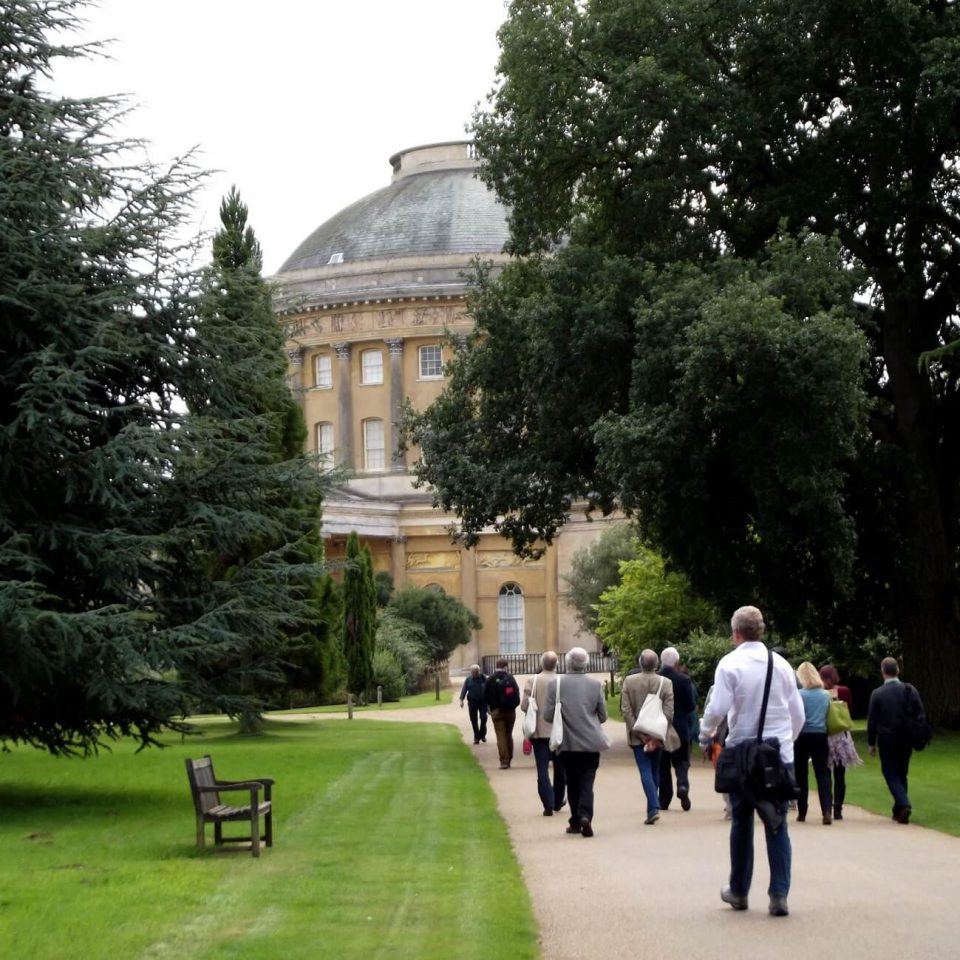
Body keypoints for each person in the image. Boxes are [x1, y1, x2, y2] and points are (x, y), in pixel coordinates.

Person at [700, 605, 805, 918]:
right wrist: (787, 743)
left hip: (744, 755)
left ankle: (739, 890)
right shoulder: (782, 665)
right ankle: (779, 894)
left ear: (735, 633)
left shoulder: (730, 664)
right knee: (777, 823)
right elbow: (796, 712)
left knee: (741, 821)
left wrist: (706, 734)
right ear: (761, 631)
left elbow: (718, 708)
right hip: (776, 755)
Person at [543, 647, 608, 837]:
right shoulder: (595, 685)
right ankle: (585, 815)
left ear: (567, 663)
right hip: (590, 742)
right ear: (585, 664)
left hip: (567, 742)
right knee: (587, 780)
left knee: (572, 782)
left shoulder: (556, 684)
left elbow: (547, 715)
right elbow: (603, 716)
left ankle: (576, 820)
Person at [621, 649, 679, 825]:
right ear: (657, 665)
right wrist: (655, 736)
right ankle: (652, 808)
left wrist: (639, 732)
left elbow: (626, 710)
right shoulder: (666, 683)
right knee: (655, 770)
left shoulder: (630, 682)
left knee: (645, 770)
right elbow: (669, 712)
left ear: (640, 662)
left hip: (638, 736)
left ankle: (653, 807)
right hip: (659, 734)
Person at [867, 657, 927, 824]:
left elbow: (872, 721)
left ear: (882, 672)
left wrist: (871, 743)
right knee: (901, 772)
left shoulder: (877, 694)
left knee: (890, 772)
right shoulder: (910, 690)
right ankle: (899, 810)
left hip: (887, 737)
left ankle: (904, 803)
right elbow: (920, 713)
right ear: (898, 671)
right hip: (906, 736)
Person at [521, 651, 567, 816]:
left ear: (542, 663)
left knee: (542, 769)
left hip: (539, 732)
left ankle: (548, 802)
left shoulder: (533, 681)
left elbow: (524, 706)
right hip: (559, 730)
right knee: (560, 768)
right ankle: (557, 800)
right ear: (556, 664)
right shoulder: (562, 680)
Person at [819, 664, 862, 820]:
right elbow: (849, 711)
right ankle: (838, 808)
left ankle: (827, 807)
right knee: (840, 774)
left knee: (825, 774)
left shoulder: (819, 693)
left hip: (825, 735)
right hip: (841, 735)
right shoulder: (843, 691)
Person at [794, 661, 834, 825]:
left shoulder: (800, 695)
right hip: (820, 735)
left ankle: (802, 811)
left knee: (801, 775)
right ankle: (826, 810)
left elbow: (796, 715)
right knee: (823, 774)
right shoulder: (825, 694)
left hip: (802, 735)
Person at [658, 646, 696, 812]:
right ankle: (682, 784)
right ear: (677, 663)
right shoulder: (684, 680)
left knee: (662, 764)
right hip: (680, 727)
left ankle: (664, 799)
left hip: (660, 727)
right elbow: (690, 706)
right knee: (681, 761)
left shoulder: (656, 679)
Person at [484, 658, 521, 769]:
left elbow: (485, 695)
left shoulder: (490, 679)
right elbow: (516, 694)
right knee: (508, 734)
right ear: (506, 666)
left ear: (496, 666)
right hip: (510, 711)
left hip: (496, 711)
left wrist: (490, 707)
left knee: (500, 736)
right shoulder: (510, 678)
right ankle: (509, 758)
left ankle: (504, 760)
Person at [459, 664, 488, 745]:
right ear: (471, 672)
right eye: (473, 672)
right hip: (472, 702)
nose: (475, 674)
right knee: (473, 720)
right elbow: (464, 690)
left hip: (483, 702)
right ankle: (476, 737)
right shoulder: (468, 679)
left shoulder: (484, 678)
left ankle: (482, 734)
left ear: (479, 671)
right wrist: (461, 700)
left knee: (483, 717)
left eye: (476, 672)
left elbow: (489, 689)